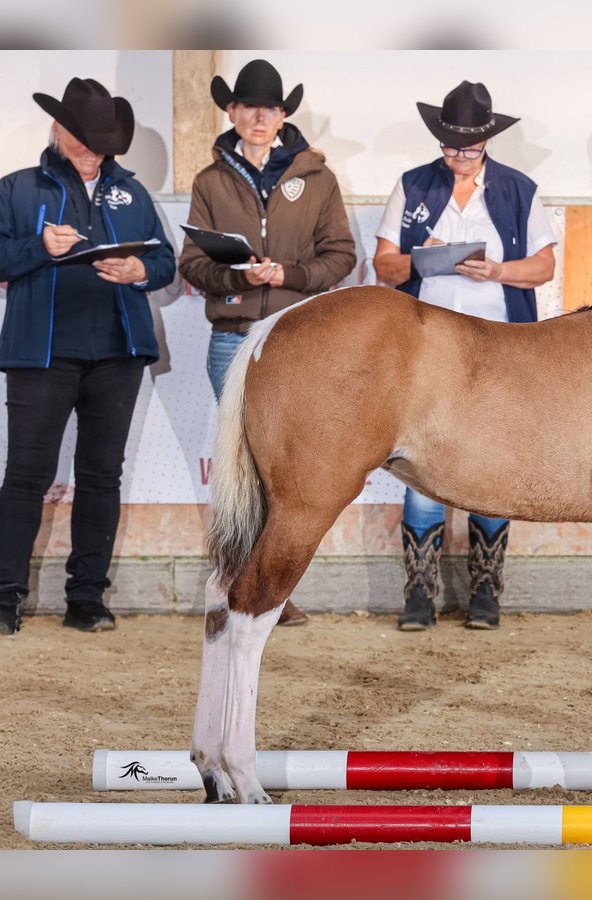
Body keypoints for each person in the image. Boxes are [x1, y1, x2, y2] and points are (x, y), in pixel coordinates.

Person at [373, 80, 556, 632]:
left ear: (485, 143)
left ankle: (484, 592)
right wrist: (420, 260)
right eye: (451, 147)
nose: (459, 156)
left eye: (469, 148)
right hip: (426, 346)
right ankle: (420, 594)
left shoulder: (519, 189)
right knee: (420, 462)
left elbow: (545, 267)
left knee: (494, 464)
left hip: (500, 347)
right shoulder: (412, 185)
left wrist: (497, 270)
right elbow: (382, 267)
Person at [179, 58, 357, 627]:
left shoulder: (319, 179)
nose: (259, 116)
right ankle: (243, 580)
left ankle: (271, 581)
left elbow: (341, 257)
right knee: (242, 463)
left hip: (298, 337)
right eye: (248, 106)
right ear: (231, 112)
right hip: (232, 334)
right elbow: (193, 262)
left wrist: (287, 277)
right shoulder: (210, 181)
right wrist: (239, 278)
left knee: (286, 465)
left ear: (283, 115)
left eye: (271, 107)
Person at [0, 77, 176, 635]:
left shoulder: (135, 192)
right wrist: (38, 248)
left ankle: (87, 599)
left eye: (100, 140)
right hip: (40, 354)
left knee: (102, 476)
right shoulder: (17, 189)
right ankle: (5, 597)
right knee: (27, 475)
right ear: (57, 128)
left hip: (118, 354)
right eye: (81, 135)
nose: (90, 148)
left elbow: (166, 262)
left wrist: (140, 270)